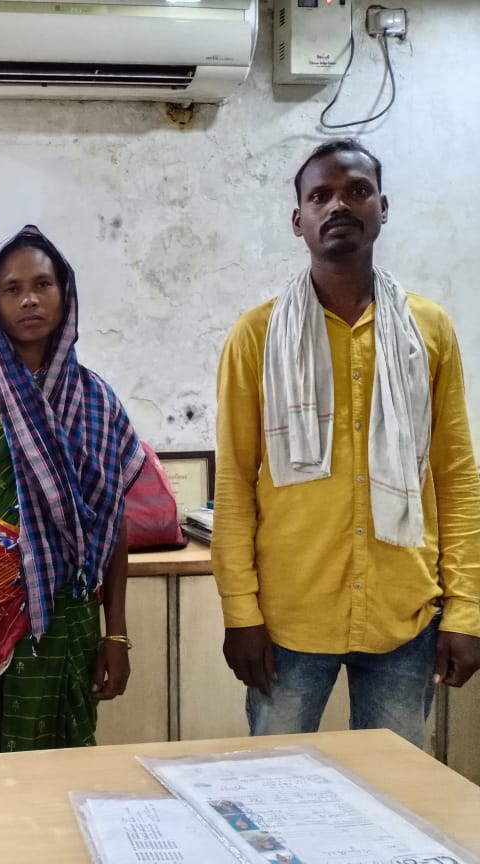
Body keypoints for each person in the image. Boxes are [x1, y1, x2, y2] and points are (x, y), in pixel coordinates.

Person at [213, 140, 480, 747]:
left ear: (382, 207)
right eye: (320, 195)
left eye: (357, 190)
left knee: (392, 789)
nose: (339, 204)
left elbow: (456, 476)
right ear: (298, 219)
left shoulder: (428, 330)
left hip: (404, 613)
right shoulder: (256, 335)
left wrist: (466, 610)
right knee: (276, 786)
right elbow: (234, 481)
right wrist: (240, 613)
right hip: (288, 618)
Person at [0, 225, 145, 754]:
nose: (29, 299)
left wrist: (115, 632)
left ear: (64, 294)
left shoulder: (96, 398)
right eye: (12, 288)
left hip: (73, 622)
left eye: (42, 284)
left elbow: (112, 522)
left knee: (70, 765)